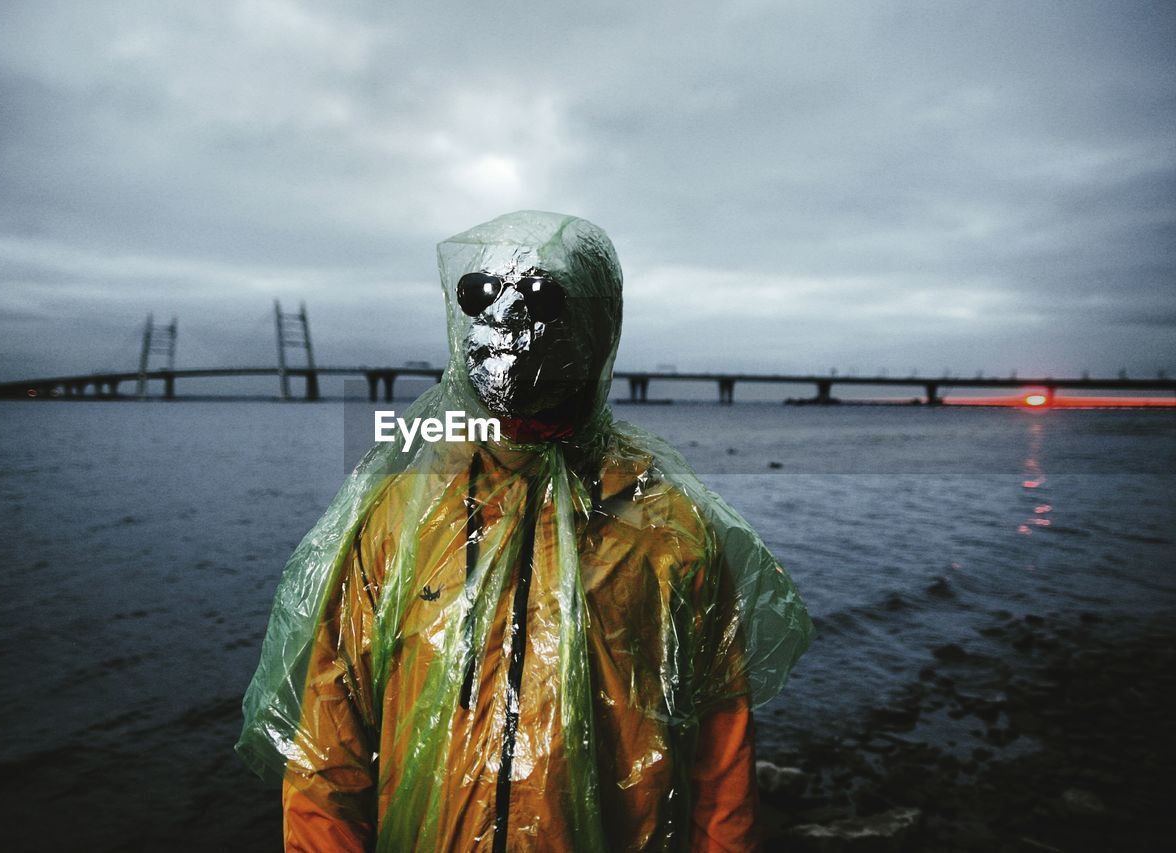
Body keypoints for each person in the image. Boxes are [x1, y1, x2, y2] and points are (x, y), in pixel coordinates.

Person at [237, 210, 813, 851]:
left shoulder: (668, 530)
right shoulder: (398, 520)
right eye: (481, 296)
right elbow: (325, 757)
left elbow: (720, 761)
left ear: (596, 329)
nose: (506, 319)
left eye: (541, 298)